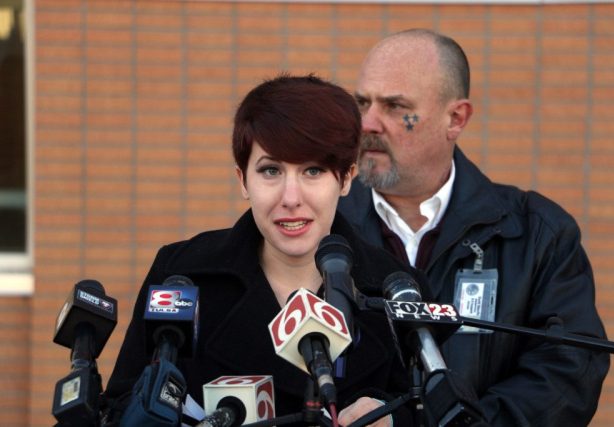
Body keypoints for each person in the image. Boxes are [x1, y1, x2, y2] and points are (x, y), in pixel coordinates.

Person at [104, 74, 418, 427]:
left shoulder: (395, 289)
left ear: (346, 179)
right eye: (271, 170)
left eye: (313, 170)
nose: (291, 198)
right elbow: (120, 405)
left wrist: (393, 422)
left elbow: (428, 410)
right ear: (242, 180)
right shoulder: (183, 274)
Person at [338, 28, 610, 426]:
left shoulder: (537, 233)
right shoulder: (322, 229)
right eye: (362, 103)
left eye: (396, 106)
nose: (368, 123)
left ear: (456, 118)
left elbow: (568, 373)